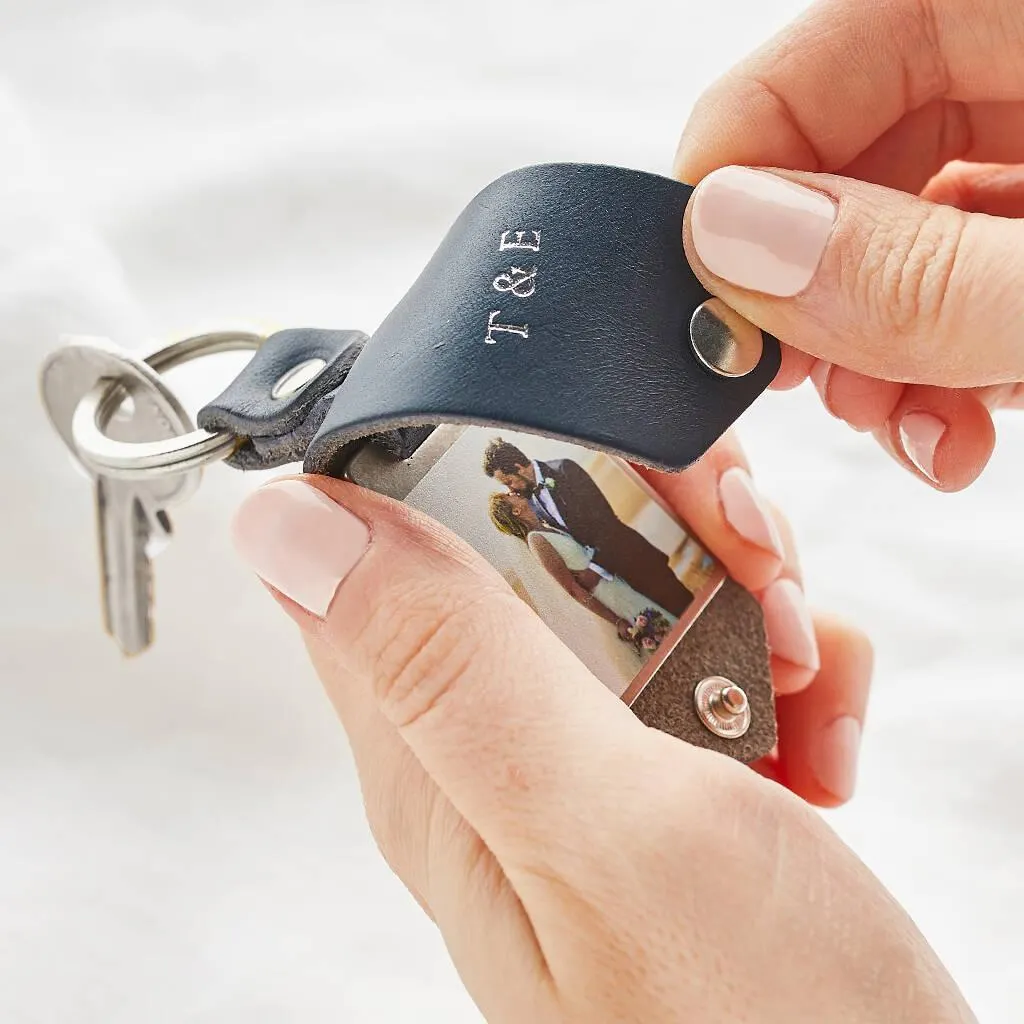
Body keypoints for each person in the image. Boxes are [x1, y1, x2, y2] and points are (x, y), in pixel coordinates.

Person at [227, 0, 1024, 1016]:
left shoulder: (521, 480)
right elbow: (562, 558)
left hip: (618, 573)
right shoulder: (514, 495)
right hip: (603, 575)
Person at [483, 438, 694, 617]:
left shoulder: (565, 470)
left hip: (635, 561)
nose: (511, 489)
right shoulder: (533, 501)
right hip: (616, 587)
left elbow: (607, 522)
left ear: (519, 468)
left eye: (509, 482)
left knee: (687, 612)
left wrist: (594, 570)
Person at [487, 488, 680, 649]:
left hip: (618, 584)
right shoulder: (536, 541)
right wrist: (616, 620)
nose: (514, 492)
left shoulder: (546, 525)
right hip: (612, 599)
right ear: (515, 511)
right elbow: (572, 589)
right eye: (509, 495)